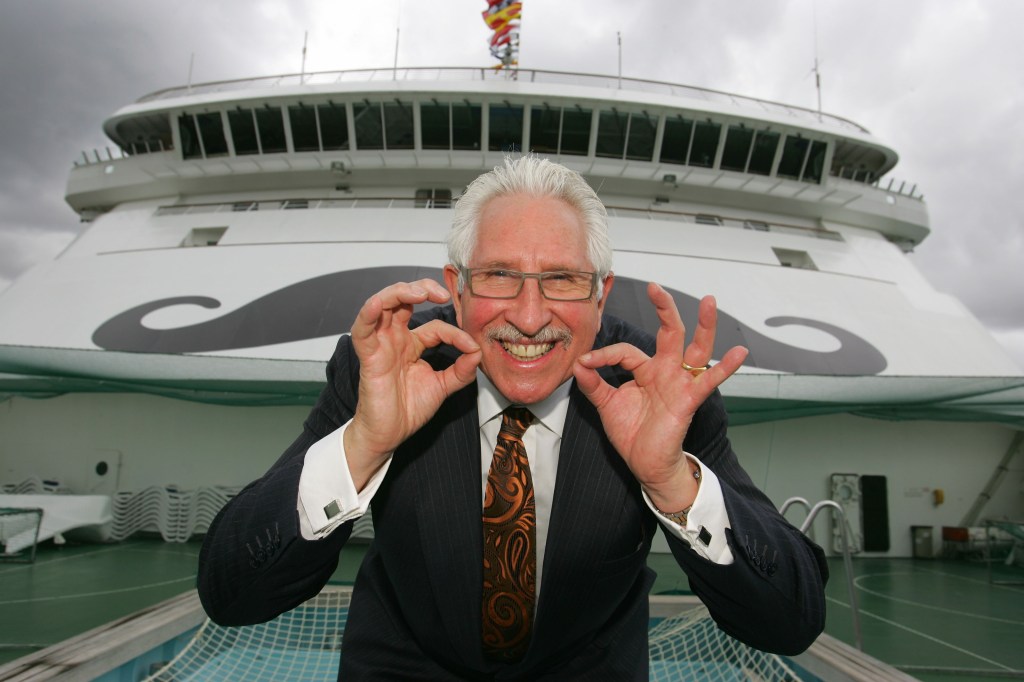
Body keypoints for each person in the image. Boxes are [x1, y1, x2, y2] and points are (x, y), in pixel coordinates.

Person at [197, 155, 828, 680]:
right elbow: (231, 593)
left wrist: (672, 481)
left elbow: (792, 621)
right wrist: (362, 444)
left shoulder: (657, 387)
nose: (529, 317)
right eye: (500, 275)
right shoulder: (386, 367)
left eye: (561, 279)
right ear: (458, 286)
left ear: (601, 293)